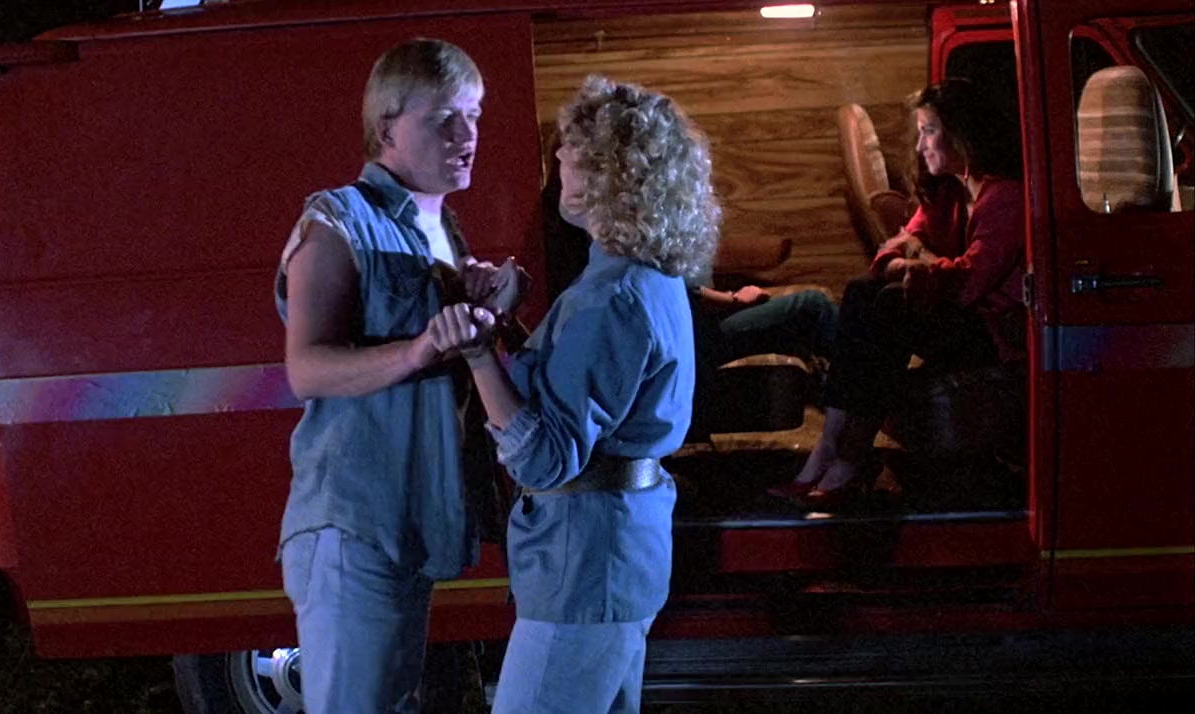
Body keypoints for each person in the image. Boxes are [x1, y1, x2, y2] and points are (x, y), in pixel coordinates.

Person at [426, 75, 720, 714]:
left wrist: (476, 352)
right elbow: (579, 392)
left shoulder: (609, 298)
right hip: (613, 557)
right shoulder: (644, 277)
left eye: (572, 152)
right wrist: (507, 325)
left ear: (610, 178)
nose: (558, 158)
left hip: (583, 568)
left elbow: (543, 457)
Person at [273, 38, 527, 713]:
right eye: (443, 119)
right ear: (386, 126)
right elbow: (307, 367)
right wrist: (418, 350)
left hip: (411, 521)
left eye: (474, 115)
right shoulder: (337, 221)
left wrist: (485, 302)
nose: (467, 136)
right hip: (355, 523)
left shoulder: (443, 227)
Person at [771, 78, 1026, 508]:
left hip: (992, 333)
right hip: (949, 315)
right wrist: (911, 261)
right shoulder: (946, 192)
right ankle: (829, 449)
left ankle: (850, 458)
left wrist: (918, 257)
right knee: (861, 290)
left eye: (930, 131)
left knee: (890, 304)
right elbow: (892, 249)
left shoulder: (1005, 198)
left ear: (962, 135)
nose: (921, 145)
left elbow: (967, 284)